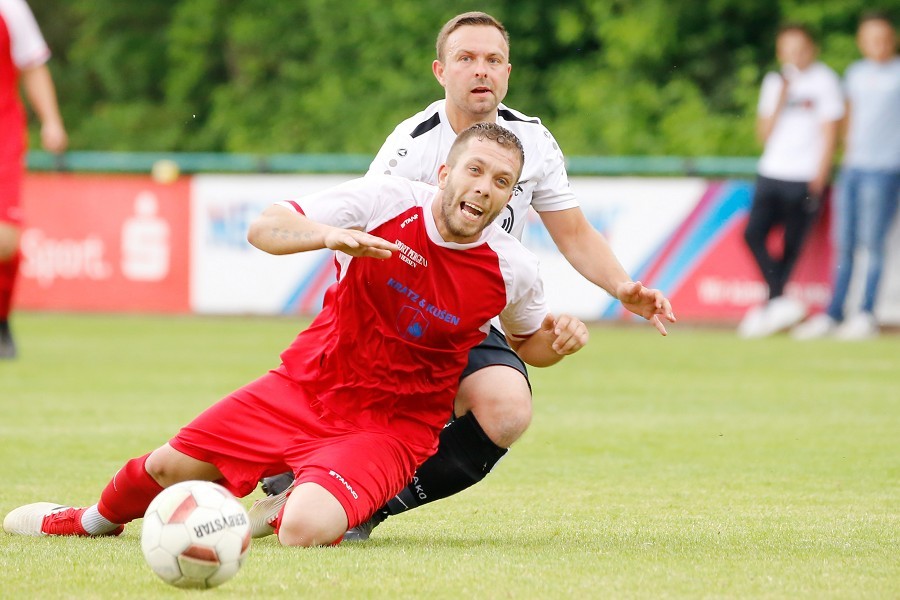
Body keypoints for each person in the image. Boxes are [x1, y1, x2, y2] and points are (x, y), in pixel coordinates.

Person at [3, 123, 589, 547]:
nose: (485, 187)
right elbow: (266, 226)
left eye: (502, 181)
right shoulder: (384, 200)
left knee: (306, 530)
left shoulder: (514, 268)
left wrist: (553, 346)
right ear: (446, 172)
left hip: (391, 425)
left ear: (513, 195)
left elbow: (526, 344)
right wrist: (328, 237)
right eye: (475, 170)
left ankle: (279, 508)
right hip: (305, 386)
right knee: (165, 470)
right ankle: (88, 521)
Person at [258, 11, 676, 541]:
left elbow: (572, 232)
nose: (481, 70)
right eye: (467, 59)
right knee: (338, 416)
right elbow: (356, 238)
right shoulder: (411, 144)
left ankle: (367, 502)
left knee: (506, 408)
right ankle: (302, 472)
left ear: (507, 72)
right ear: (441, 71)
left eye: (493, 60)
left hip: (471, 317)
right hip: (394, 318)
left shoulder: (533, 142)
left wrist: (621, 287)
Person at [793, 12, 900, 341]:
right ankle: (834, 313)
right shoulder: (854, 73)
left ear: (893, 39)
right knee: (844, 243)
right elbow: (848, 121)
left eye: (882, 38)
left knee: (872, 244)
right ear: (861, 41)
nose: (877, 45)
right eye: (870, 39)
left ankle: (865, 314)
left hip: (885, 169)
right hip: (852, 168)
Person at [738, 24, 845, 339]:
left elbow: (830, 134)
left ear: (812, 48)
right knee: (753, 234)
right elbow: (763, 134)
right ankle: (779, 300)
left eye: (800, 47)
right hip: (772, 171)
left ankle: (774, 304)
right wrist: (781, 97)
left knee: (791, 245)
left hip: (805, 176)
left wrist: (820, 178)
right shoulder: (775, 82)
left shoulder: (825, 81)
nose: (795, 54)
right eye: (788, 48)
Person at [0, 0, 68, 358]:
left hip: (3, 134)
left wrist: (51, 120)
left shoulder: (10, 8)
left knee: (4, 241)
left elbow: (33, 66)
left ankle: (1, 317)